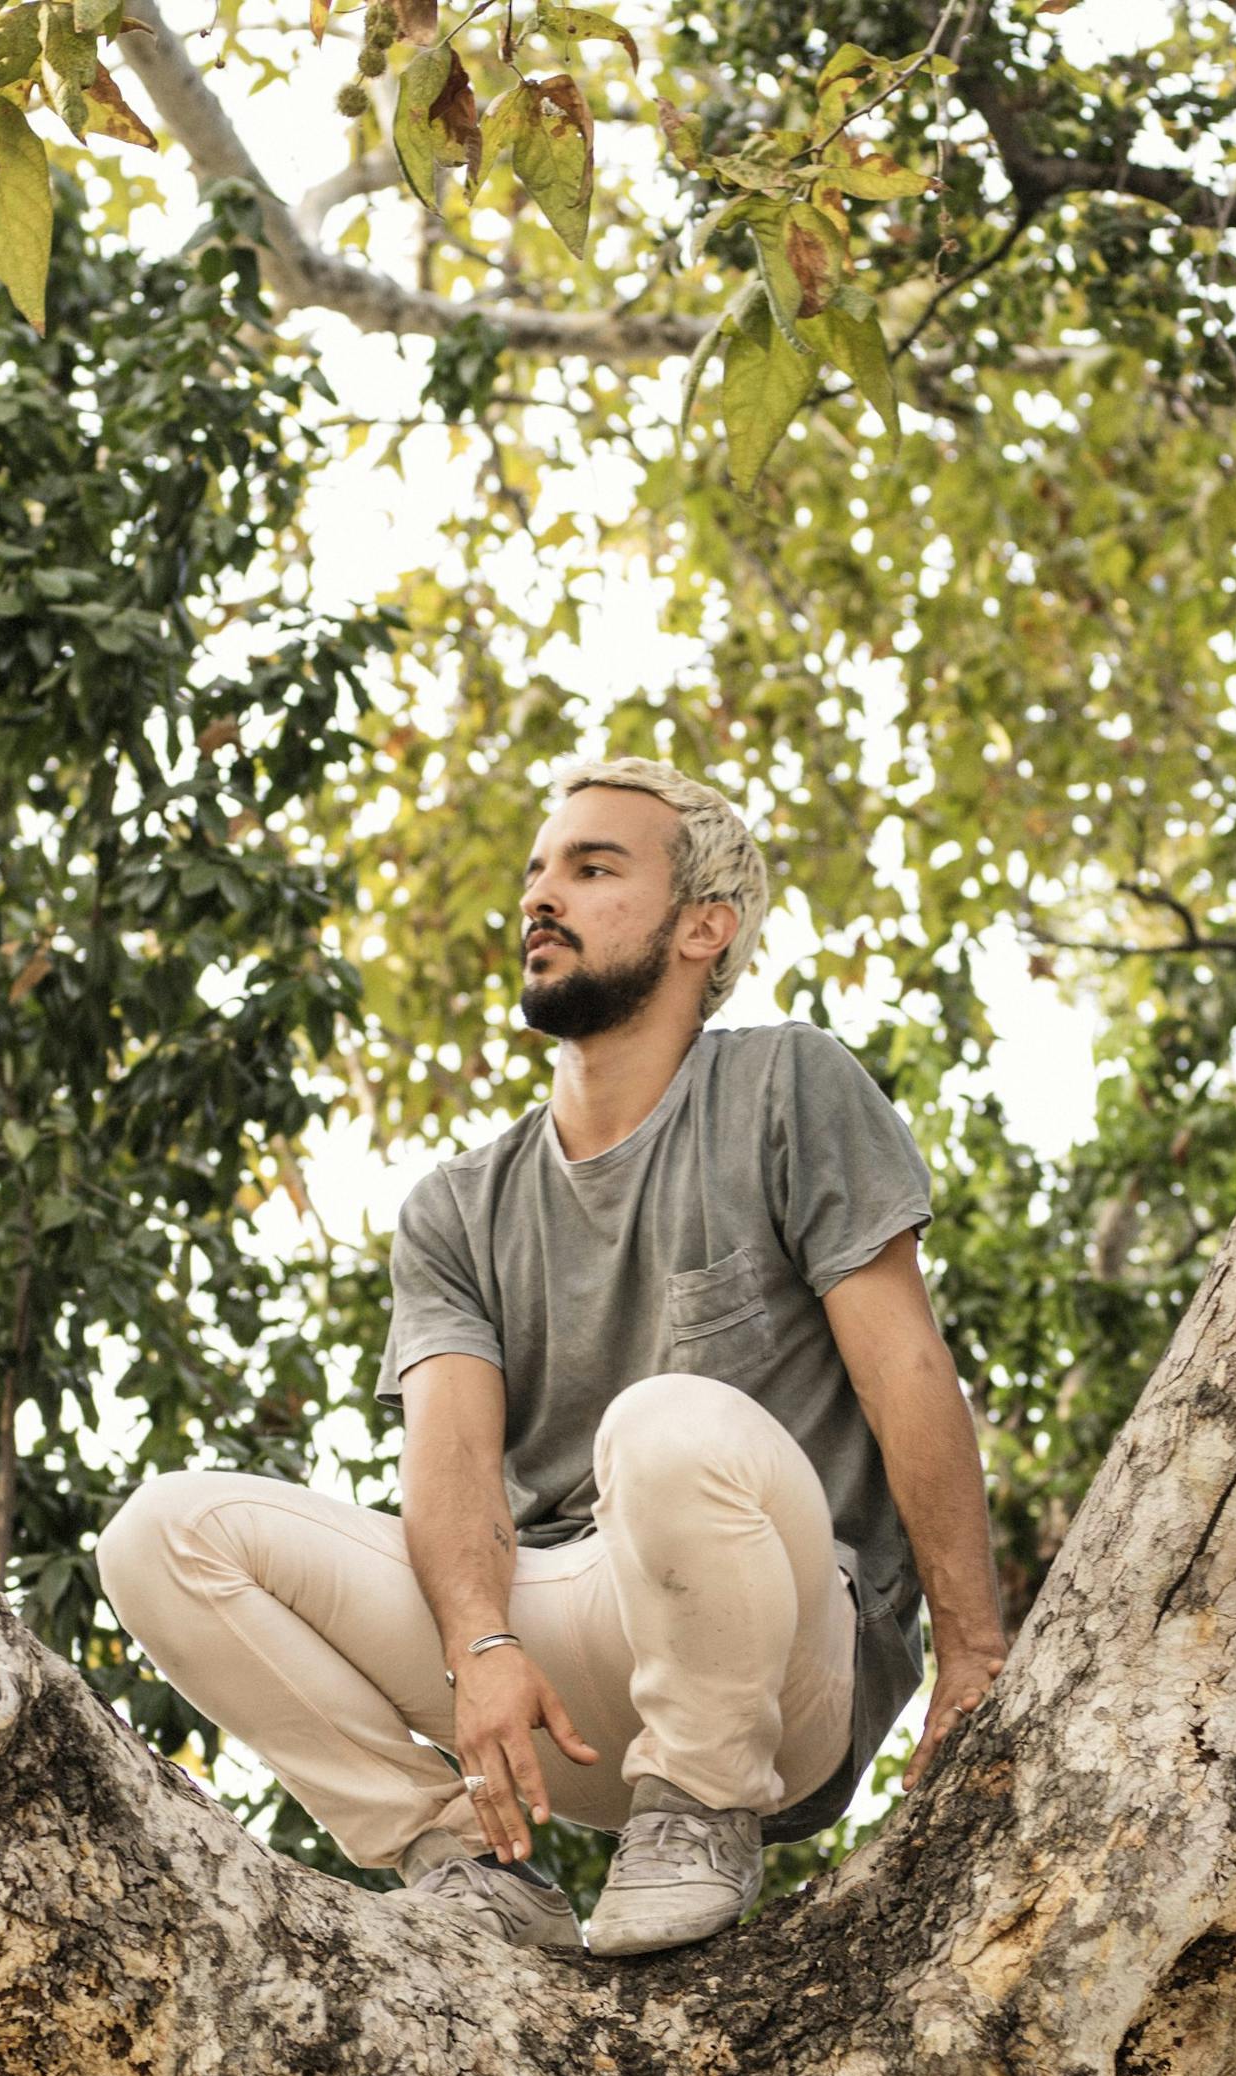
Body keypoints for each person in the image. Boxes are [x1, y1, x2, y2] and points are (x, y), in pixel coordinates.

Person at [96, 757, 1006, 1957]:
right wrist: (481, 1648)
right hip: (567, 1673)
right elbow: (455, 1458)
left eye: (592, 867)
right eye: (537, 872)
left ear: (702, 928)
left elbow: (906, 1373)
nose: (541, 897)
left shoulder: (787, 1084)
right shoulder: (457, 1207)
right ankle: (467, 1863)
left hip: (785, 1659)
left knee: (663, 1423)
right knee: (161, 1534)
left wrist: (975, 1652)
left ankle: (700, 1809)